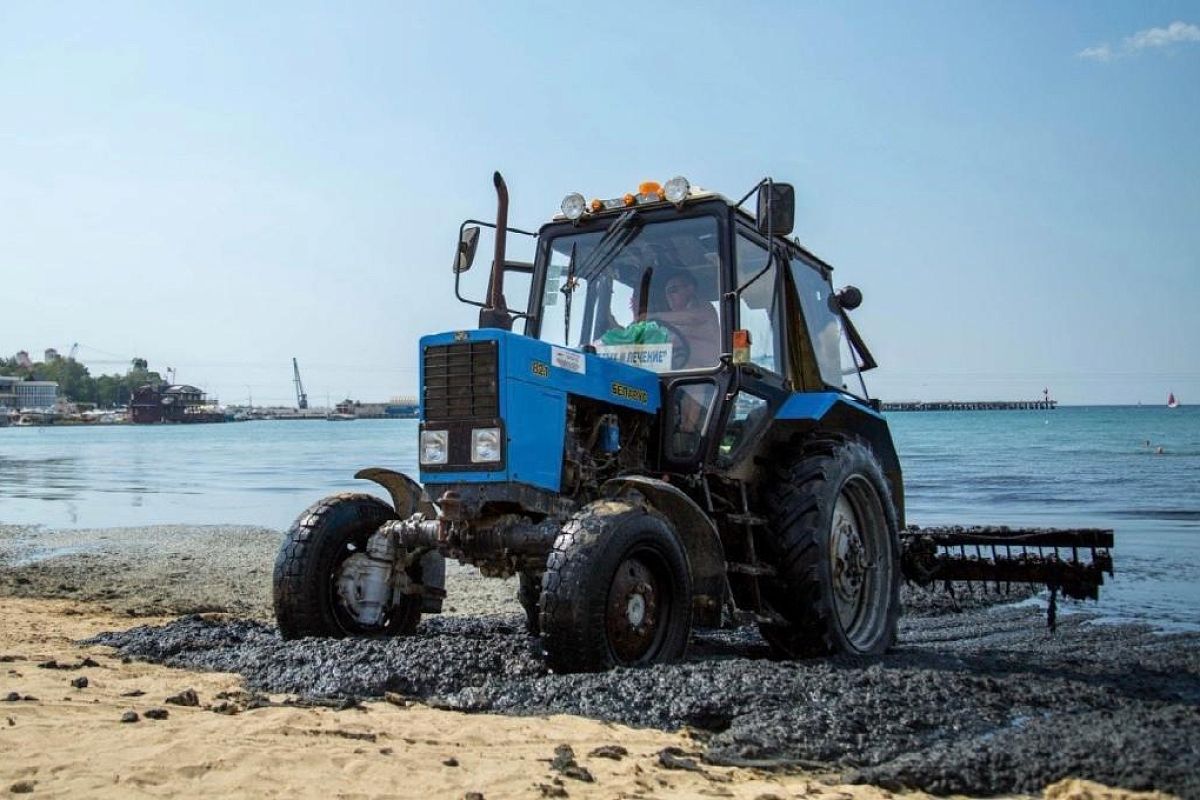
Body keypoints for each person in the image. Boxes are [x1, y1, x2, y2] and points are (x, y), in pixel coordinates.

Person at [650, 269, 721, 369]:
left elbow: (692, 317)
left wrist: (653, 316)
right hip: (678, 376)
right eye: (666, 293)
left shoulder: (704, 308)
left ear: (690, 289)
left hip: (708, 376)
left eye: (673, 290)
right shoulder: (671, 323)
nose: (669, 296)